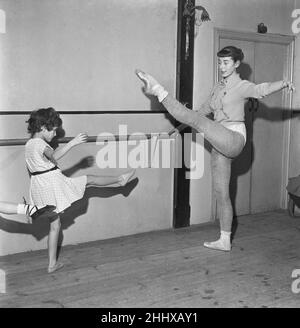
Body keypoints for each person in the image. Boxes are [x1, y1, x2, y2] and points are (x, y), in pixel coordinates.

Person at [135, 45, 294, 252]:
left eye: (226, 62)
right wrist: (178, 129)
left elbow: (260, 89)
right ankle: (224, 240)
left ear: (237, 64)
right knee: (221, 193)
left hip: (234, 139)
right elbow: (200, 112)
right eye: (219, 62)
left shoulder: (242, 85)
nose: (221, 66)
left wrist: (283, 83)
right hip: (219, 139)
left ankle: (158, 90)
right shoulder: (218, 88)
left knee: (200, 123)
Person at [25, 107, 136, 273]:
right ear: (42, 127)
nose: (55, 134)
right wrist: (73, 143)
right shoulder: (40, 144)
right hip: (52, 183)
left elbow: (41, 164)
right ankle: (120, 181)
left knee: (55, 225)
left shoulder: (28, 144)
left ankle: (51, 264)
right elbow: (54, 156)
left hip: (40, 186)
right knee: (89, 179)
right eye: (53, 130)